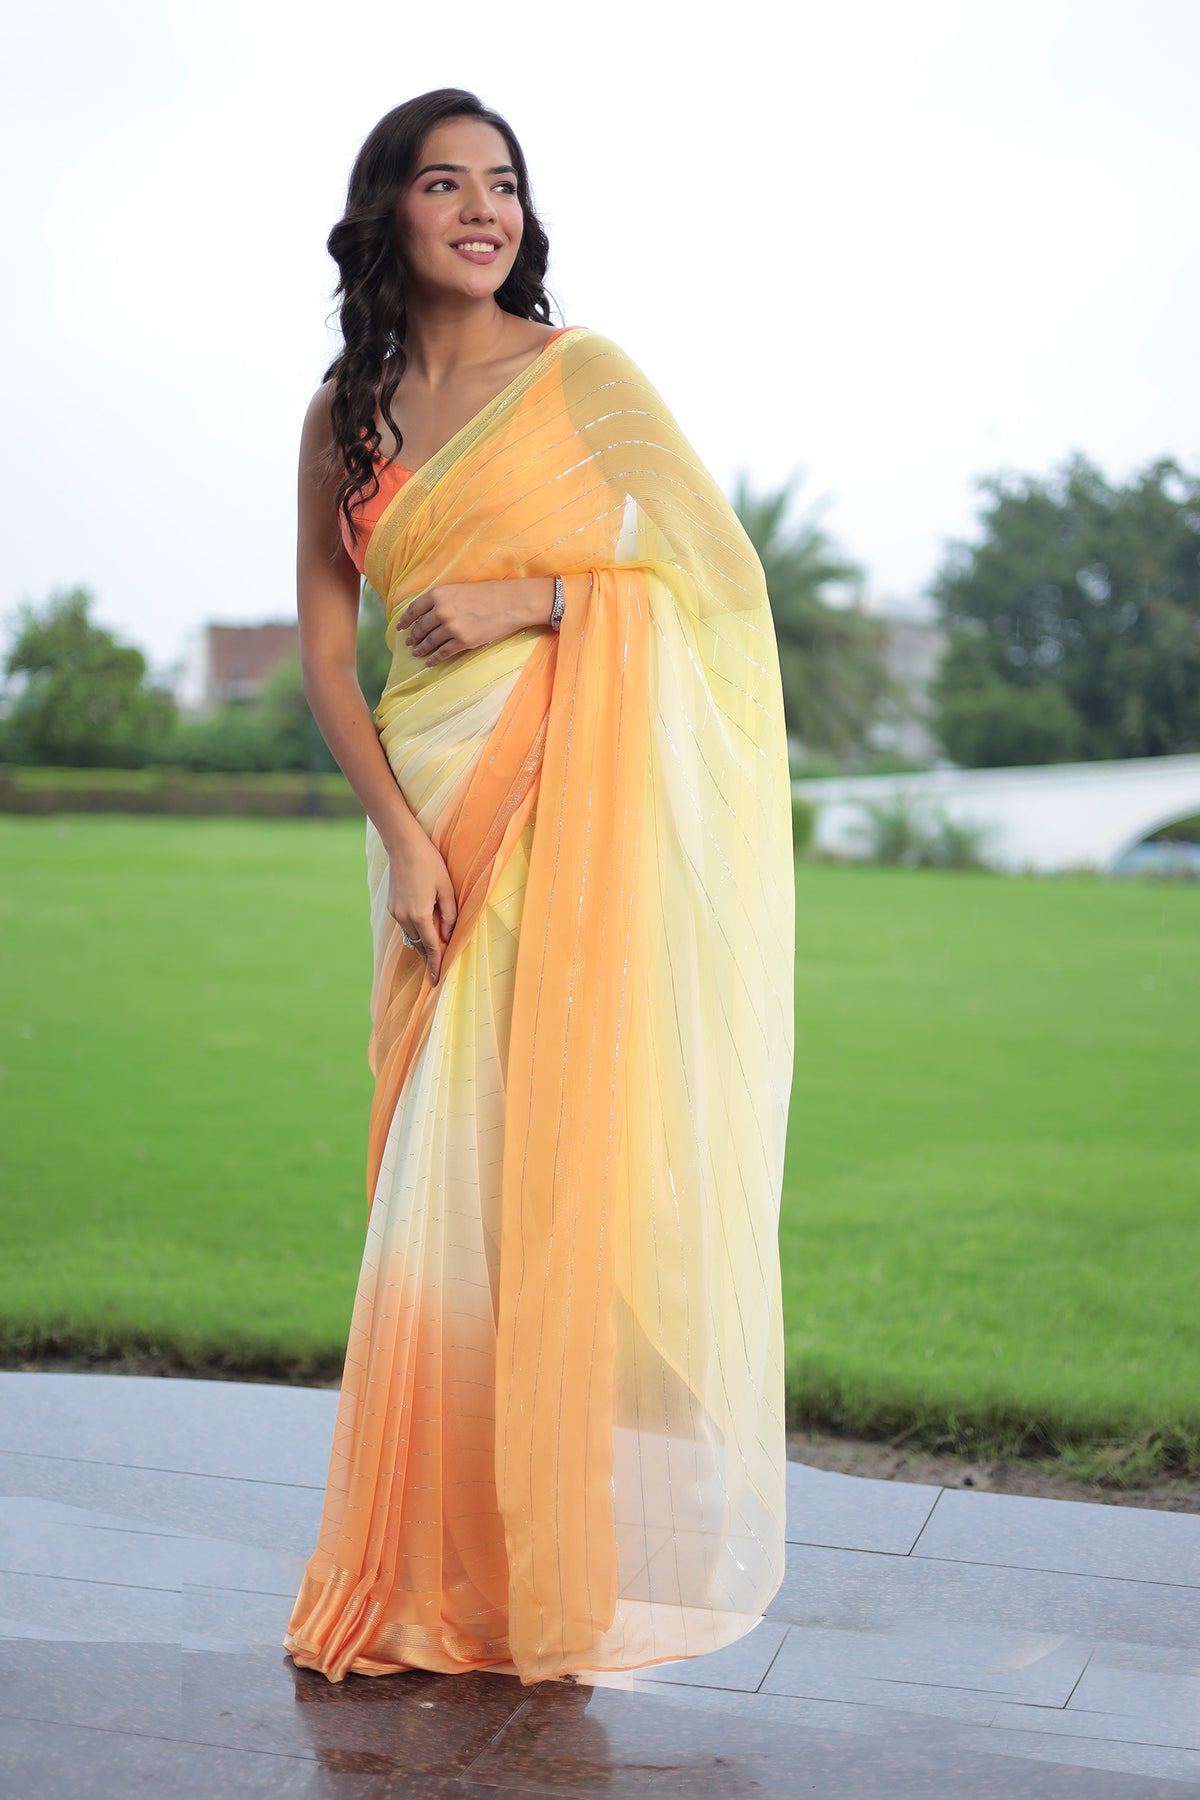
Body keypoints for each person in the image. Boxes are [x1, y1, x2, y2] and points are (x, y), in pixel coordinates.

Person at [283, 86, 796, 1688]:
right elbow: (327, 655)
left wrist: (543, 595)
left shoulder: (582, 377)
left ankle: (529, 1577)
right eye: (446, 184)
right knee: (430, 1177)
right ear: (390, 210)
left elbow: (714, 582)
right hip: (432, 819)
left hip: (563, 824)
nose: (483, 210)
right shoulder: (345, 414)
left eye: (502, 183)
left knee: (529, 1174)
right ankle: (423, 1564)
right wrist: (401, 837)